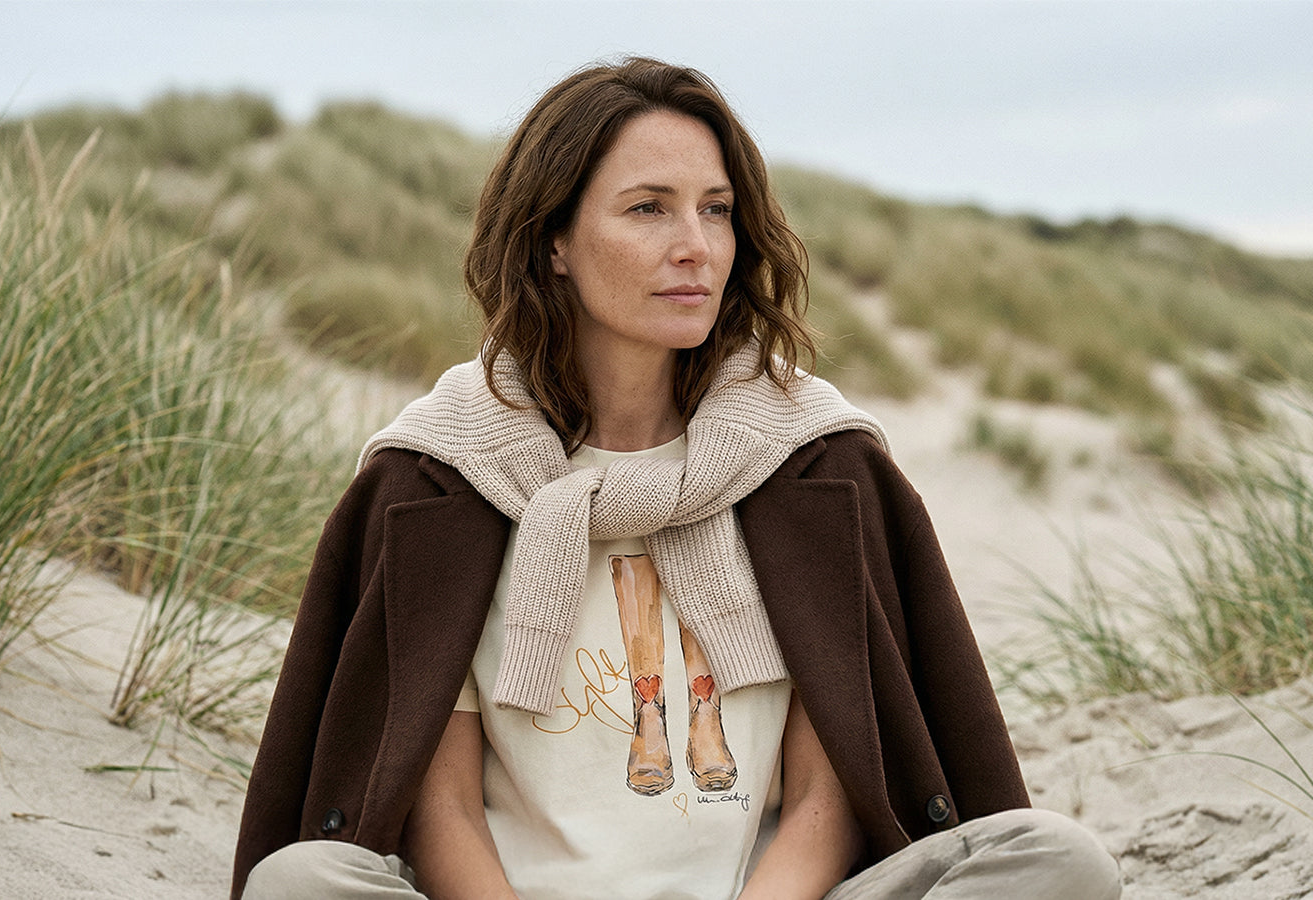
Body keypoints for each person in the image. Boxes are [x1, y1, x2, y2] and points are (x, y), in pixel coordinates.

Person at [231, 57, 1121, 900]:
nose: (696, 245)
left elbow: (828, 798)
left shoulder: (810, 461)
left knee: (1057, 860)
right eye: (649, 209)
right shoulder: (443, 476)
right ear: (553, 241)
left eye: (717, 209)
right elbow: (443, 811)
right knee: (298, 883)